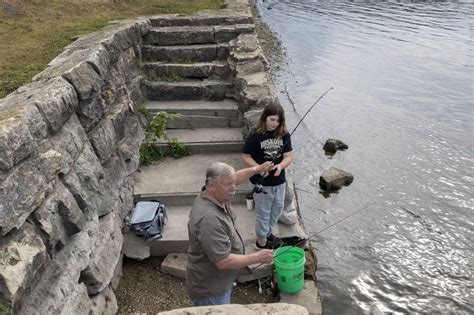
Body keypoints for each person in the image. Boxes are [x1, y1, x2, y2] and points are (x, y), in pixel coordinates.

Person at [186, 161, 274, 306]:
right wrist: (257, 257)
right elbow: (223, 261)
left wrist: (256, 169)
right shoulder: (209, 220)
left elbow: (233, 179)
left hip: (218, 281)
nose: (234, 189)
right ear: (212, 185)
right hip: (211, 291)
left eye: (234, 183)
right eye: (229, 185)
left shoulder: (213, 193)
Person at [242, 104, 294, 249]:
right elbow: (246, 156)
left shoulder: (284, 134)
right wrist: (258, 169)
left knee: (277, 208)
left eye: (278, 121)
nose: (275, 124)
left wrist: (281, 166)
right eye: (272, 120)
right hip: (261, 183)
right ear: (265, 117)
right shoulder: (255, 136)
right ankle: (261, 242)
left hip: (279, 182)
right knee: (263, 214)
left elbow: (289, 156)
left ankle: (267, 232)